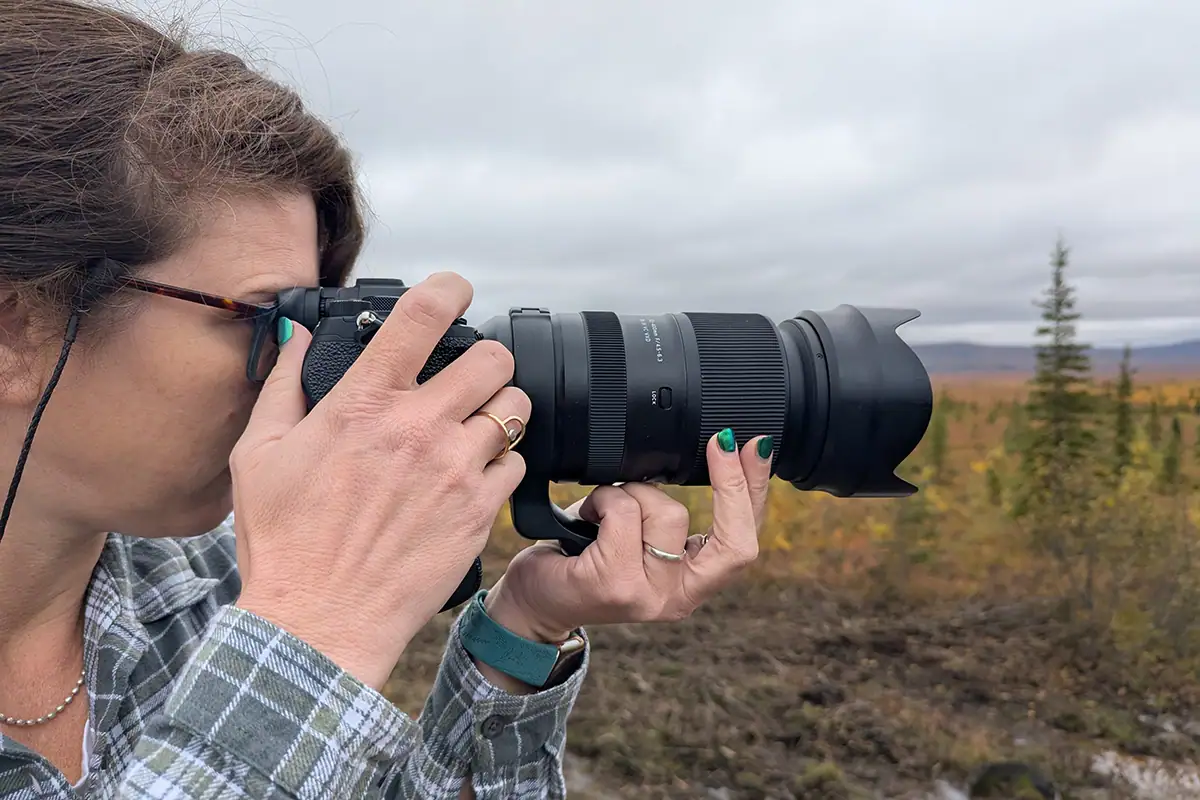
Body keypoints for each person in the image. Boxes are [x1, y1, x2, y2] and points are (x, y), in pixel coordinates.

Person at [0, 2, 771, 798]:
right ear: (14, 328)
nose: (303, 377)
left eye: (316, 322)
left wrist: (522, 630)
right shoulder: (275, 592)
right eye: (268, 320)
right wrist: (311, 630)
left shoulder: (207, 582)